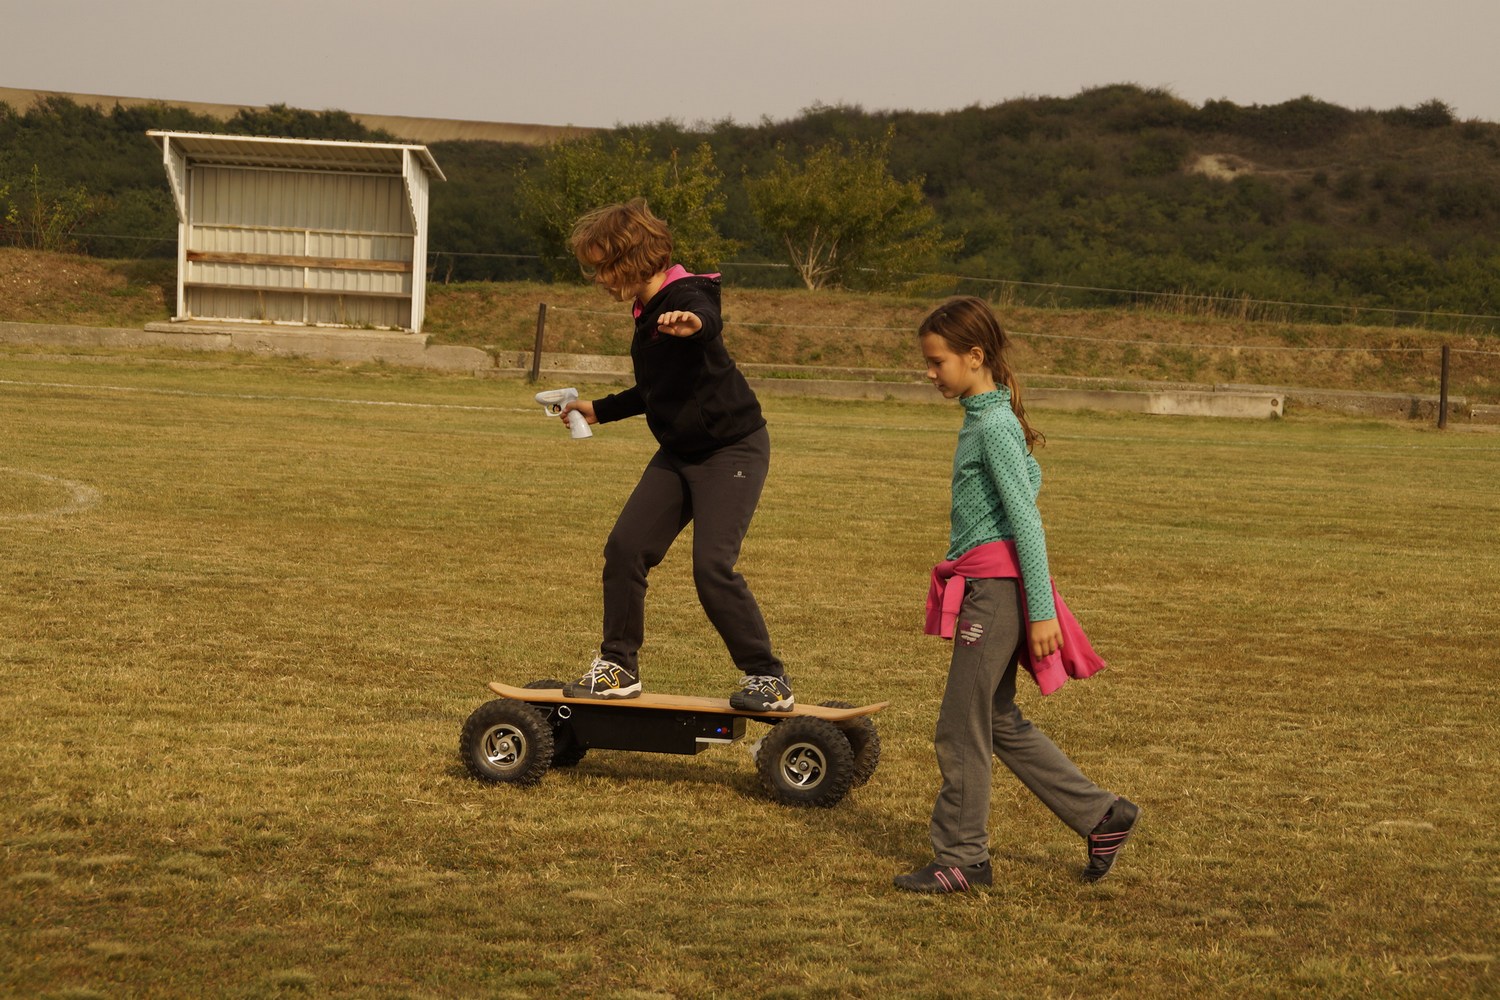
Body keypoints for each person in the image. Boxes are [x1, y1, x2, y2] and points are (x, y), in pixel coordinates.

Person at [894, 295, 1138, 894]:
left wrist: (1042, 611)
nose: (929, 373)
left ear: (974, 357)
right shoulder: (989, 416)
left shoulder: (995, 425)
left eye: (937, 361)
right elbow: (1031, 482)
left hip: (997, 591)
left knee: (959, 727)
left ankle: (961, 858)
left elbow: (1026, 519)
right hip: (993, 585)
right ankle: (1102, 817)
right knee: (995, 719)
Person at [555, 198, 793, 711]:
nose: (597, 278)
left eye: (603, 266)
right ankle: (618, 667)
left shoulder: (686, 295)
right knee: (625, 548)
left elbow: (706, 315)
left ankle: (767, 678)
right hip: (679, 453)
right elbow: (655, 388)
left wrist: (695, 323)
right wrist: (599, 408)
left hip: (732, 449)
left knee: (712, 568)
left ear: (634, 257)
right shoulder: (645, 310)